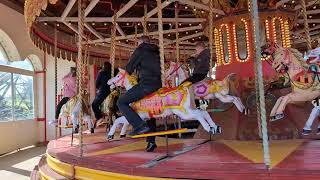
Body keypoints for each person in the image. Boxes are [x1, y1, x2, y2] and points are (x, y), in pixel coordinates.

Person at [117, 36, 161, 152]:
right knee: (150, 112)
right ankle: (151, 141)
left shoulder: (140, 49)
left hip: (146, 84)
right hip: (157, 85)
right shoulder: (156, 51)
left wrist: (133, 57)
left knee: (121, 102)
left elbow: (129, 69)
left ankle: (139, 125)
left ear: (140, 43)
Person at [182, 41, 212, 108]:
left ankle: (193, 104)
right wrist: (194, 58)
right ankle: (195, 103)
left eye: (196, 50)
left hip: (199, 74)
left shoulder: (203, 55)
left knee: (185, 84)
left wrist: (195, 58)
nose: (196, 51)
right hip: (199, 73)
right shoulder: (203, 54)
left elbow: (198, 65)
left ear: (199, 48)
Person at [92, 62, 112, 126]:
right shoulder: (113, 73)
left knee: (94, 105)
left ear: (104, 67)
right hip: (111, 92)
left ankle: (99, 118)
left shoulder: (101, 73)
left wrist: (99, 88)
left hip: (103, 92)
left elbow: (97, 84)